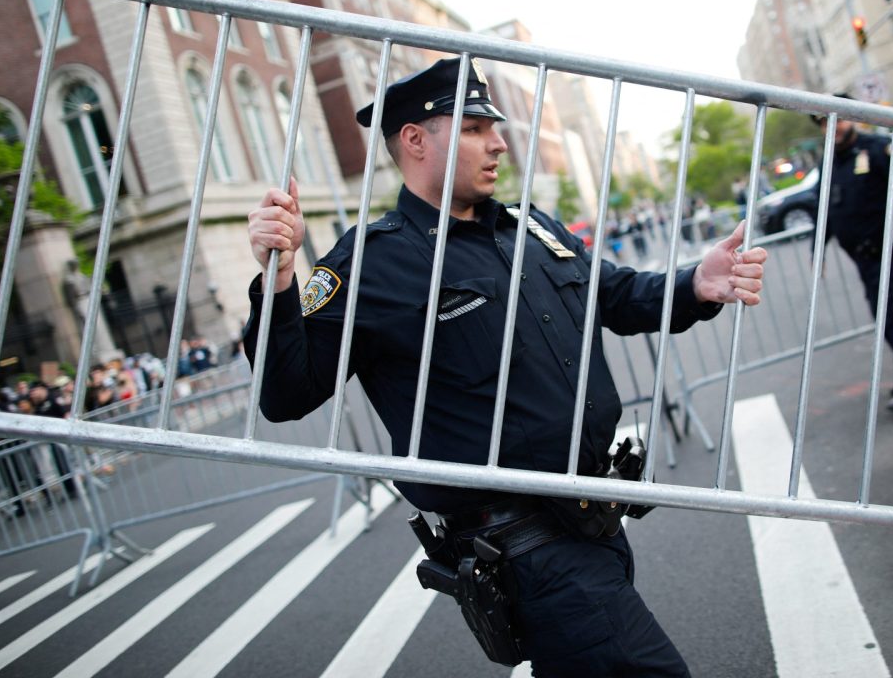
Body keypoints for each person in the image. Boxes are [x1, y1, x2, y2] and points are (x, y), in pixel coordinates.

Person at [243, 57, 767, 676]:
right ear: (414, 140)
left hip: (595, 521)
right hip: (527, 548)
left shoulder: (531, 228)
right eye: (472, 128)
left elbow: (616, 295)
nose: (497, 142)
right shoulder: (372, 262)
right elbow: (286, 392)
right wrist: (279, 282)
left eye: (492, 126)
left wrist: (696, 284)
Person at [811, 97, 893, 416]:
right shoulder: (829, 161)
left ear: (853, 118)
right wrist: (818, 251)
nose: (834, 127)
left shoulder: (880, 149)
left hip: (892, 248)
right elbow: (825, 208)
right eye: (826, 123)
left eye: (840, 119)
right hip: (864, 257)